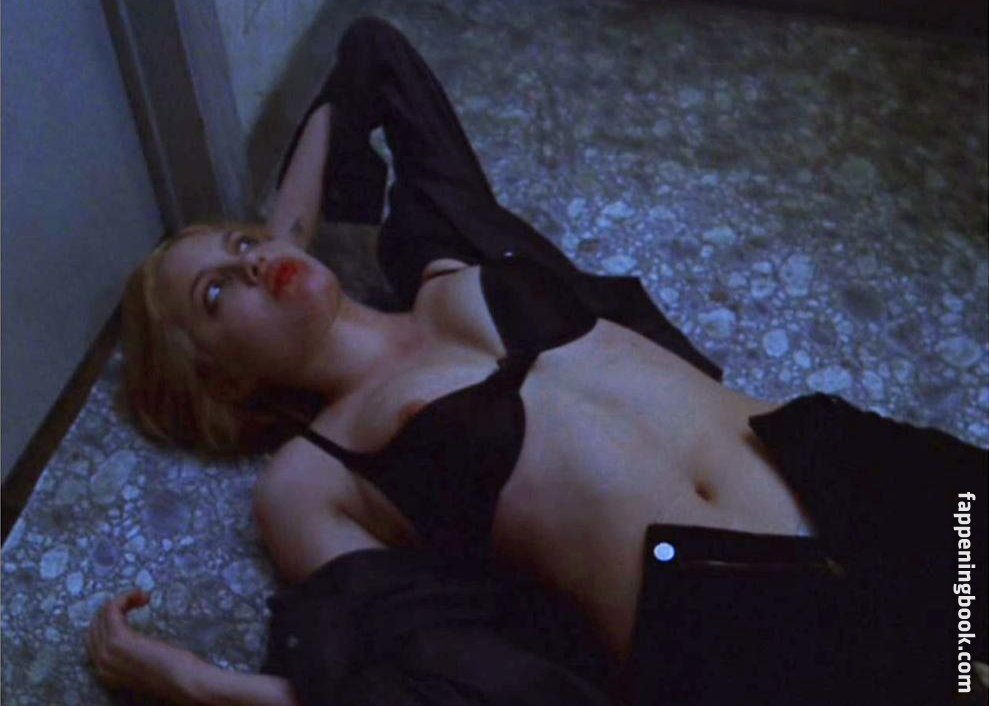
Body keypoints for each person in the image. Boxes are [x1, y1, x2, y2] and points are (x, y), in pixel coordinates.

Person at [89, 16, 987, 706]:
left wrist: (281, 236)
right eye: (216, 295)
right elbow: (414, 682)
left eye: (243, 243)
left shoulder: (444, 262)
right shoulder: (311, 474)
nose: (250, 263)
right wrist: (197, 685)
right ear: (222, 382)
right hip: (736, 632)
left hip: (855, 474)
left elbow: (373, 57)